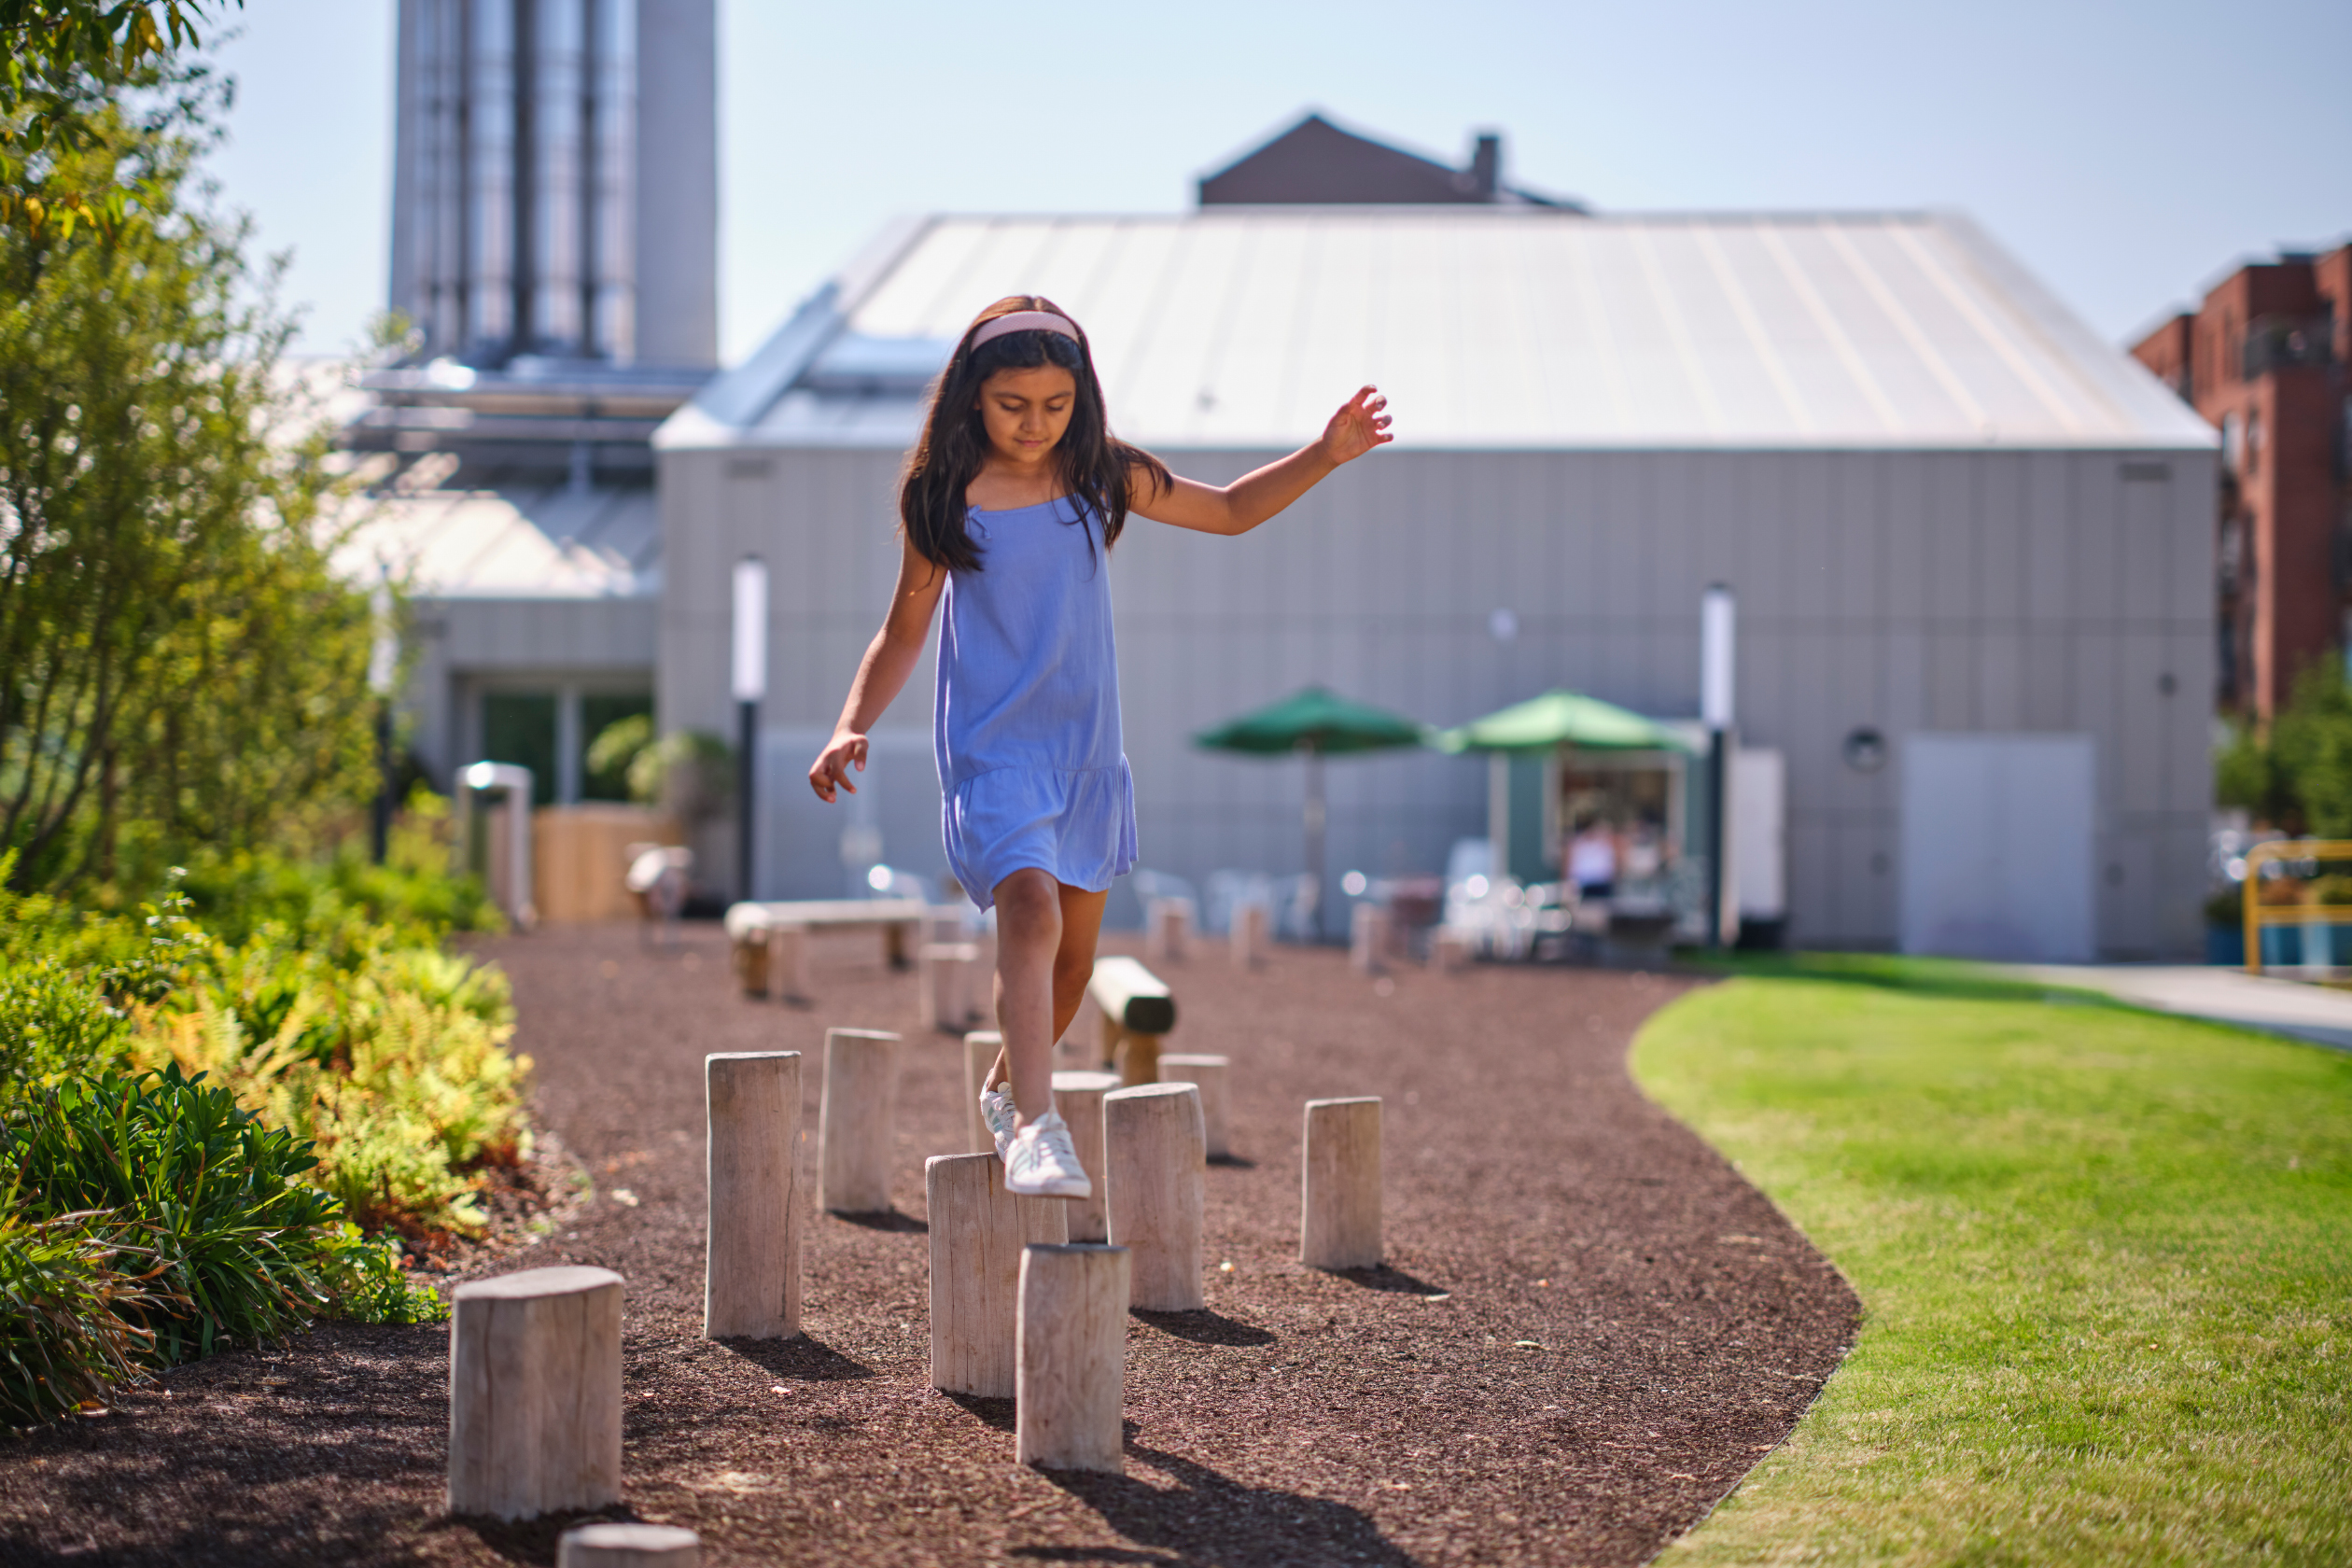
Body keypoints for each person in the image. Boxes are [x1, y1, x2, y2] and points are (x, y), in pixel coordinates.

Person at [808, 297, 1392, 1197]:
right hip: (992, 754)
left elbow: (1232, 512)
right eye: (1013, 405)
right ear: (972, 399)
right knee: (1031, 917)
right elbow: (903, 632)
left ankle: (1006, 1095)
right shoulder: (942, 499)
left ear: (1081, 398)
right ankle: (1039, 1129)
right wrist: (853, 722)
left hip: (1082, 758)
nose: (1036, 423)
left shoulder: (1100, 477)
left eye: (1055, 404)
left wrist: (1325, 453)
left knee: (1074, 966)